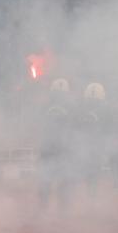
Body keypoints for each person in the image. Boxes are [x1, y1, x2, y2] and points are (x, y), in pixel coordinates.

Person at [37, 78, 77, 220]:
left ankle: (43, 209)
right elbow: (75, 127)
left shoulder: (46, 104)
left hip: (48, 148)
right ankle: (63, 211)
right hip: (63, 149)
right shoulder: (71, 106)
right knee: (64, 181)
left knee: (45, 180)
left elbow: (38, 123)